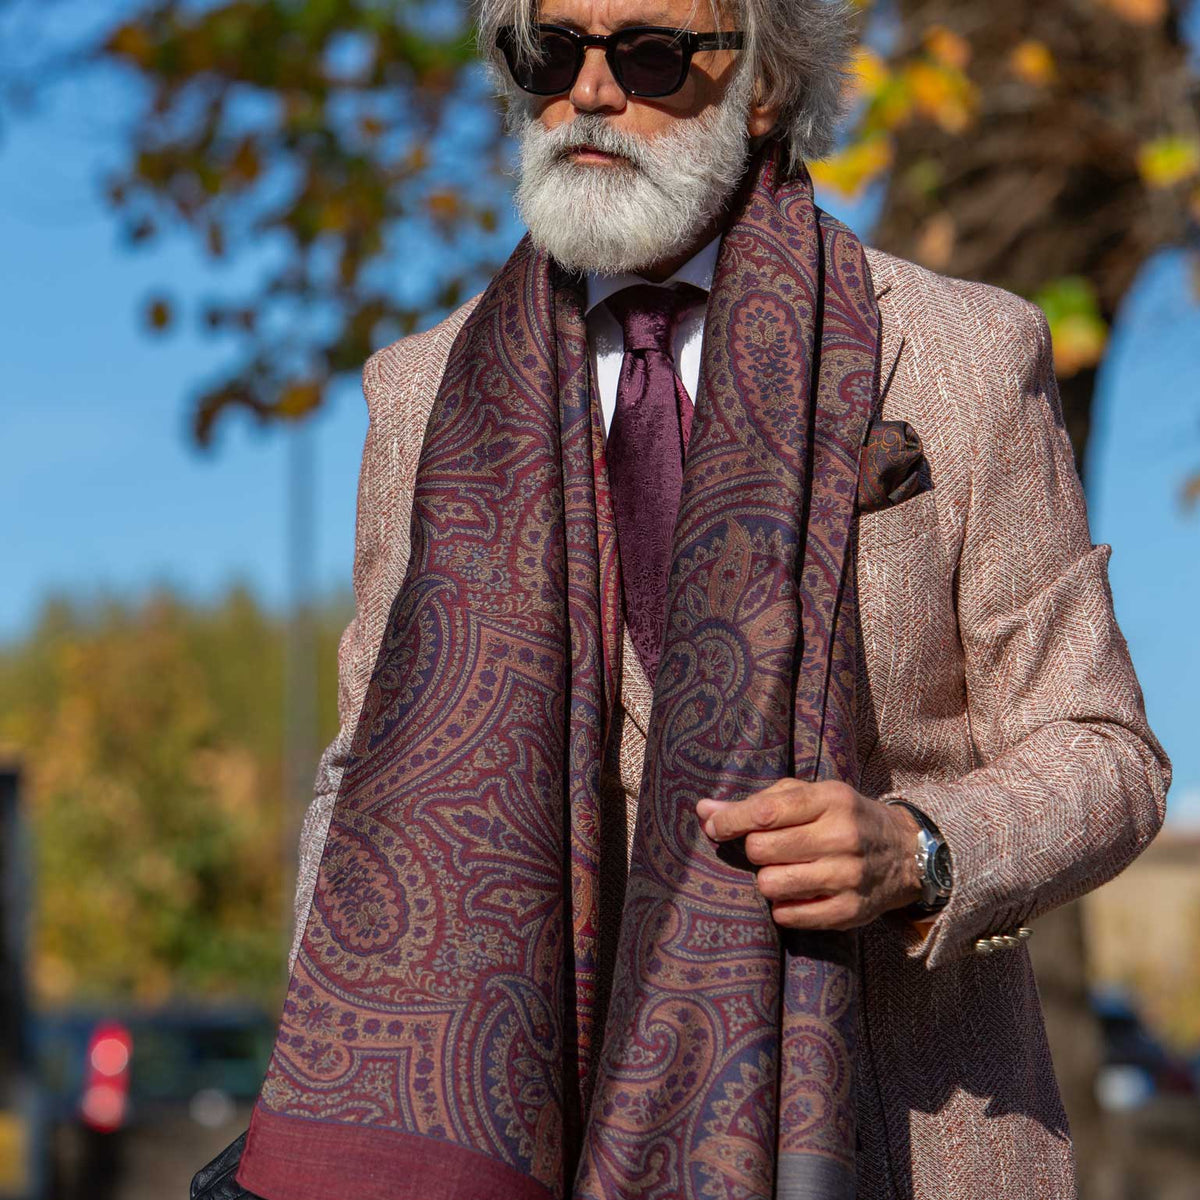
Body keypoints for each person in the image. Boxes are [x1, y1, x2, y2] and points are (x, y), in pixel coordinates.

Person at [217, 0, 1172, 1197]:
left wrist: (921, 848)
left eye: (653, 54)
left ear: (765, 85)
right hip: (533, 1137)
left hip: (895, 1135)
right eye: (550, 52)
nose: (592, 95)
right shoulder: (423, 399)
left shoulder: (963, 354)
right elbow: (365, 782)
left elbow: (1106, 754)